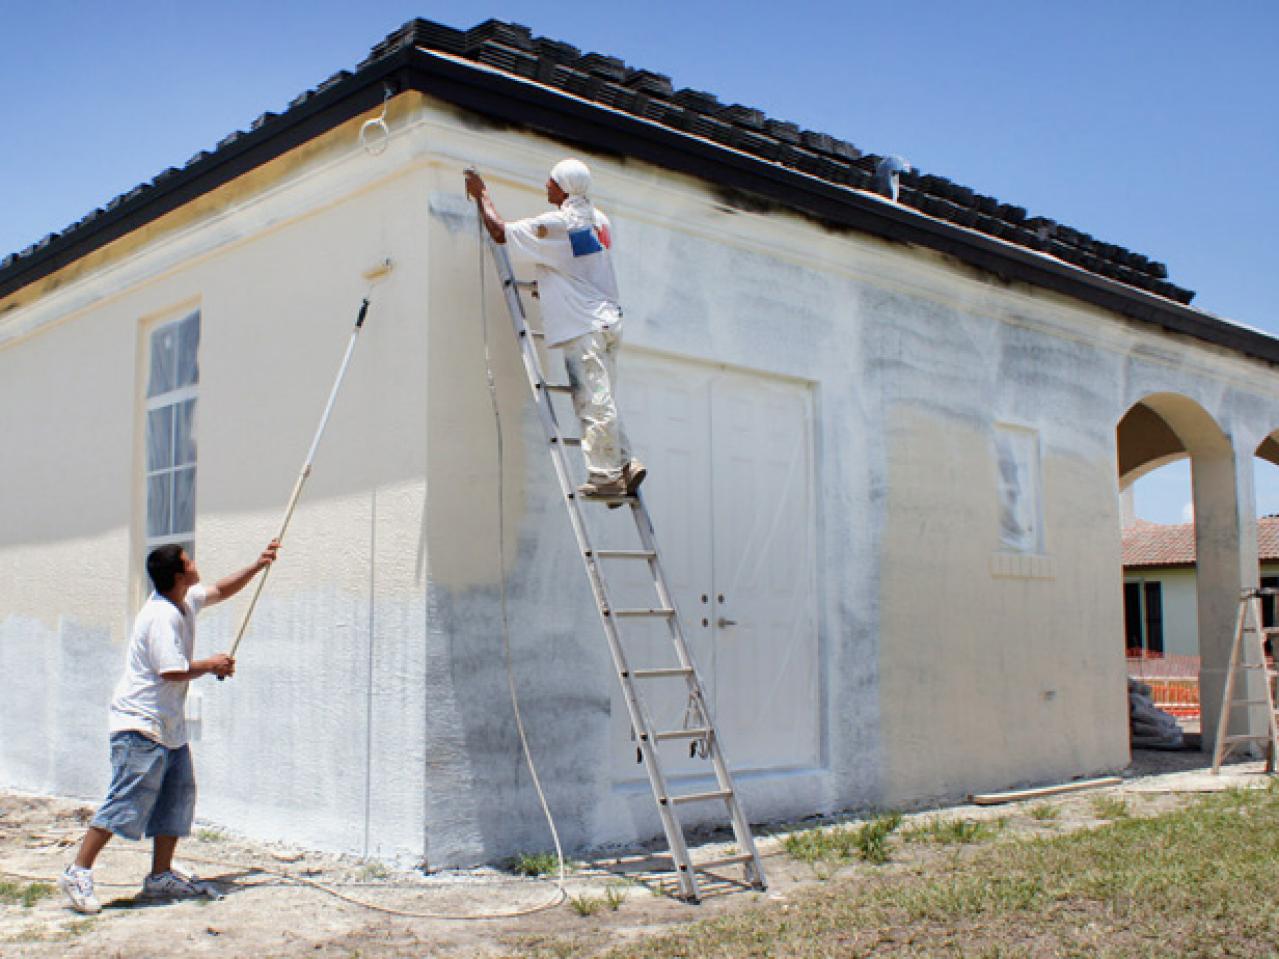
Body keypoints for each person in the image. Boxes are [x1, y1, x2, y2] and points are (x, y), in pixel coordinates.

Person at [58, 539, 279, 914]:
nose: (194, 563)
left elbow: (222, 589)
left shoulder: (185, 599)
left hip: (167, 727)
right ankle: (77, 872)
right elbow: (171, 670)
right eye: (188, 560)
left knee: (176, 798)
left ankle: (160, 877)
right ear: (179, 574)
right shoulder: (160, 616)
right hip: (139, 725)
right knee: (124, 801)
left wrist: (258, 565)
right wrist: (211, 665)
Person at [464, 158, 646, 501]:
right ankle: (625, 463)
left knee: (590, 398)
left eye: (551, 181)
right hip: (607, 319)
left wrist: (481, 195)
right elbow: (578, 268)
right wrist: (547, 288)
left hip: (584, 324)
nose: (546, 185)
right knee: (602, 395)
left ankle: (606, 477)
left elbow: (500, 232)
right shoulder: (599, 222)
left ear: (564, 187)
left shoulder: (559, 223)